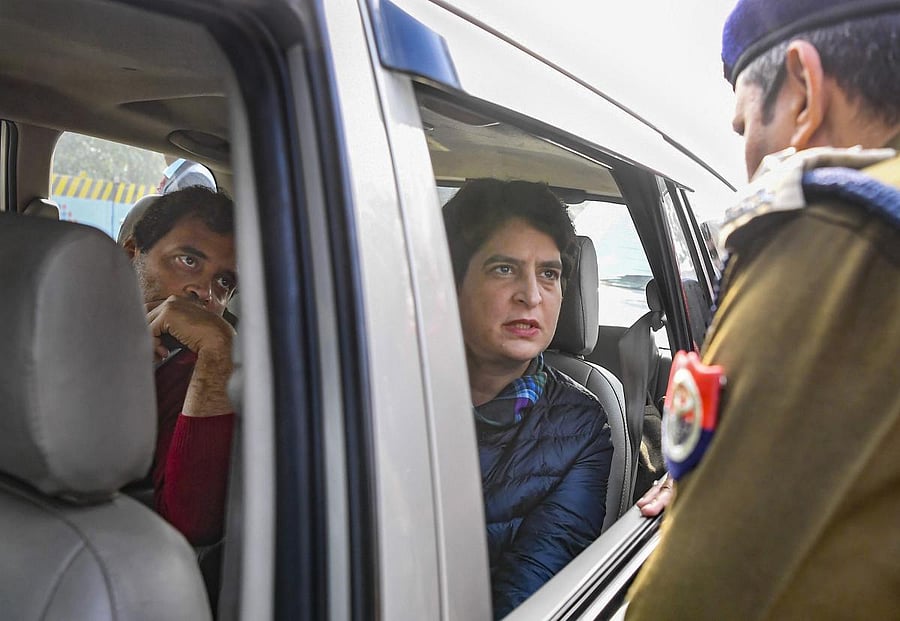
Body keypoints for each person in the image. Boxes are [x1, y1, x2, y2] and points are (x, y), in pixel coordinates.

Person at [626, 1, 900, 618]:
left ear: (802, 91)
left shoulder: (840, 230)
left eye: (746, 126)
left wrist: (712, 492)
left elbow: (695, 601)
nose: (749, 160)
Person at [443, 179, 614, 619]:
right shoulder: (379, 385)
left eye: (549, 274)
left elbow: (534, 587)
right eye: (504, 269)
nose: (531, 296)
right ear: (449, 280)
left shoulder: (581, 426)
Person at [122, 186, 237, 547]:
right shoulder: (45, 325)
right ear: (130, 255)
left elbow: (192, 525)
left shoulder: (196, 374)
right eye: (188, 260)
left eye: (224, 282)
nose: (205, 292)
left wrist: (219, 350)